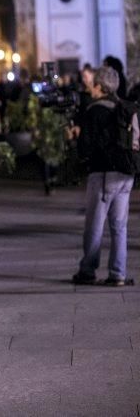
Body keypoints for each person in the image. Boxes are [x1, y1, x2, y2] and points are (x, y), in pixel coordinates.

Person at [72, 66, 135, 286]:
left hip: (103, 174)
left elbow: (85, 148)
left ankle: (88, 270)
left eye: (92, 84)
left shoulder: (95, 110)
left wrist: (76, 135)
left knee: (94, 225)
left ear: (99, 86)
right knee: (119, 226)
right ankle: (118, 273)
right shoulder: (124, 107)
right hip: (126, 174)